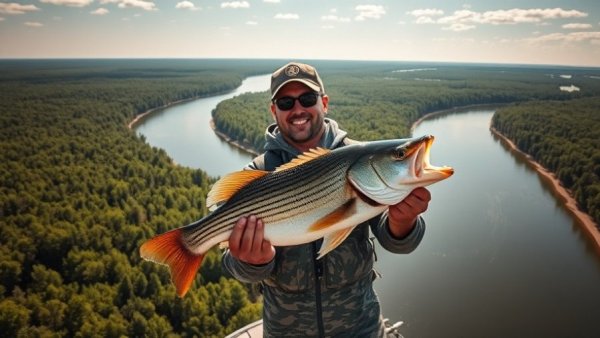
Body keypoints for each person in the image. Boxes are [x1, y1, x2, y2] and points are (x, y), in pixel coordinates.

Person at [222, 62, 431, 337]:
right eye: (286, 102)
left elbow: (399, 243)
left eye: (307, 99)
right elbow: (234, 265)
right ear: (274, 111)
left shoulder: (361, 159)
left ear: (324, 103)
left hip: (360, 327)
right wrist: (253, 262)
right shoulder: (257, 174)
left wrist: (404, 220)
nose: (297, 109)